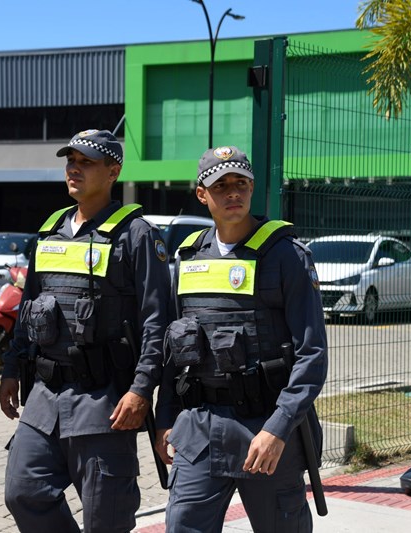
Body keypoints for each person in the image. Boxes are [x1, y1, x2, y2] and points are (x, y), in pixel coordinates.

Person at [0, 129, 171, 532]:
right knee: (23, 491)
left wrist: (142, 389)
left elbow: (157, 320)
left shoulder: (137, 235)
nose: (74, 168)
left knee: (105, 519)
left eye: (86, 162)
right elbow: (29, 308)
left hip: (104, 402)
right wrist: (11, 368)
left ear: (114, 171)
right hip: (44, 398)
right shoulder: (52, 230)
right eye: (70, 160)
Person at [156, 146, 328, 532]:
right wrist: (164, 416)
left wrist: (278, 429)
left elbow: (312, 354)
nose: (233, 193)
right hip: (199, 428)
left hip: (265, 430)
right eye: (221, 186)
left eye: (241, 184)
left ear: (252, 188)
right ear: (202, 194)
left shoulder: (286, 255)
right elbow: (174, 349)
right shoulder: (188, 258)